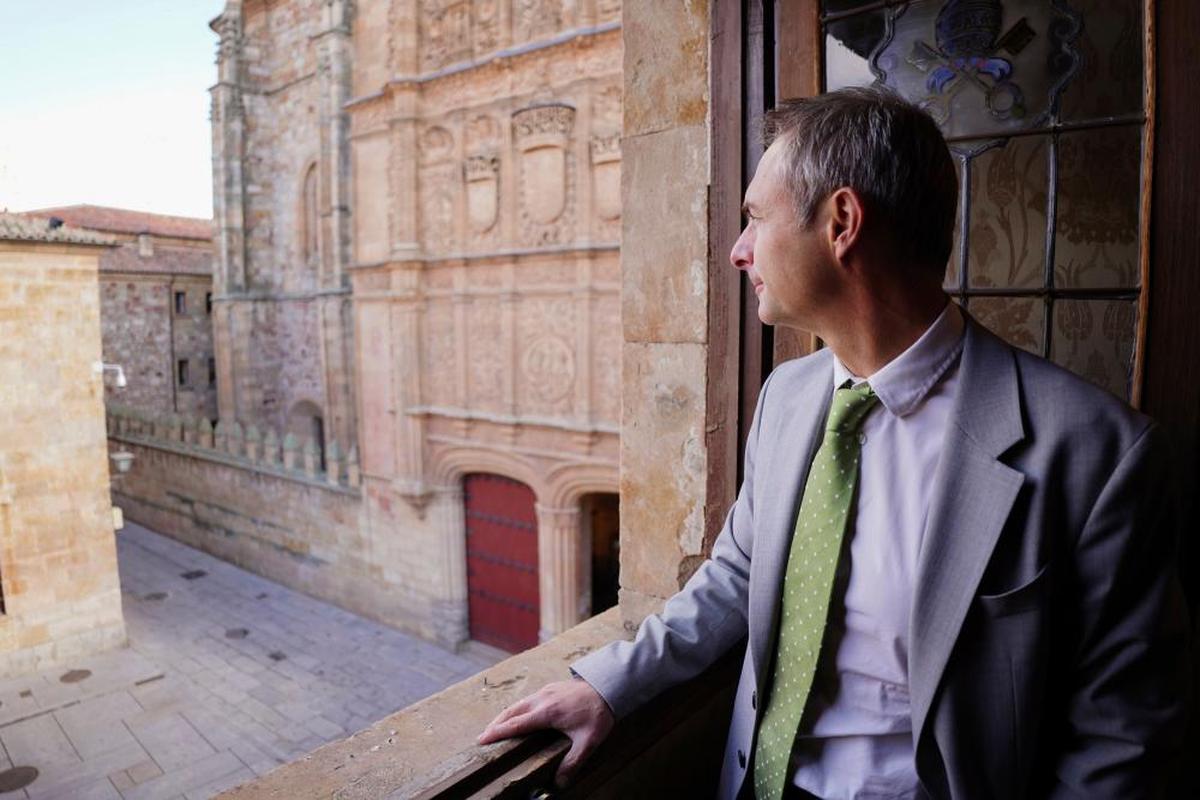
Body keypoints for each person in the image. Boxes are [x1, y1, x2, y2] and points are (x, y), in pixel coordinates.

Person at [478, 86, 1191, 799]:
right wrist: (610, 686)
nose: (737, 250)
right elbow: (737, 576)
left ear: (842, 221)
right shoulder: (787, 398)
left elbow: (1121, 734)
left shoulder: (1096, 453)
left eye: (756, 217)